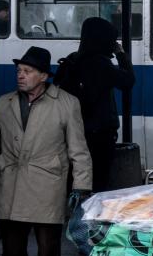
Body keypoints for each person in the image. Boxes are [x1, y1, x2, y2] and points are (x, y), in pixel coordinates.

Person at [0, 47, 92, 256]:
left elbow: (78, 148)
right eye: (19, 70)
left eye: (27, 71)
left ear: (43, 76)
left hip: (47, 182)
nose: (20, 75)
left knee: (48, 246)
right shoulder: (5, 103)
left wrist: (82, 186)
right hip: (12, 182)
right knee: (12, 246)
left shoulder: (66, 103)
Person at [54, 17, 135, 192]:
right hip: (99, 135)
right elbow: (128, 81)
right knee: (99, 182)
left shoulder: (73, 60)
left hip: (74, 131)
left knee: (77, 179)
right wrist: (120, 54)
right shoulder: (100, 63)